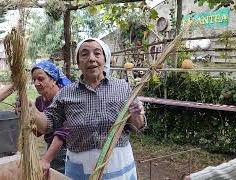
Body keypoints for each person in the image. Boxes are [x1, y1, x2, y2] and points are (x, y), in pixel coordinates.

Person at [29, 38, 147, 179]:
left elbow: (137, 127)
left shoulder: (122, 88)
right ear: (78, 63)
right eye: (84, 54)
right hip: (80, 167)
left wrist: (137, 114)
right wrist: (33, 111)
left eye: (97, 54)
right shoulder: (66, 93)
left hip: (118, 164)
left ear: (105, 59)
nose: (91, 59)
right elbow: (47, 124)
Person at [30, 60, 71, 174]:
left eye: (41, 79)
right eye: (34, 80)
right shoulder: (39, 101)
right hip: (51, 147)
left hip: (68, 149)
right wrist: (28, 116)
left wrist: (46, 159)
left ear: (53, 79)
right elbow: (39, 132)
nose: (36, 83)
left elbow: (63, 133)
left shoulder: (66, 98)